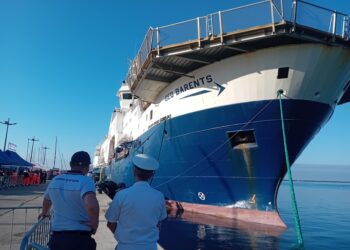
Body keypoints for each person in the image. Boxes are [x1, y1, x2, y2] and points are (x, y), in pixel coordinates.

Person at [38, 151, 99, 250]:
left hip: (57, 239)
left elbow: (47, 200)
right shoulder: (86, 181)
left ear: (70, 164)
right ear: (87, 167)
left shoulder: (55, 180)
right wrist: (94, 223)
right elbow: (91, 205)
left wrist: (44, 213)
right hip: (80, 239)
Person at [105, 154, 167, 250]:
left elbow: (110, 223)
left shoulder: (121, 195)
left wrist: (123, 238)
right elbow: (159, 223)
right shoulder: (159, 196)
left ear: (134, 171)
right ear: (151, 175)